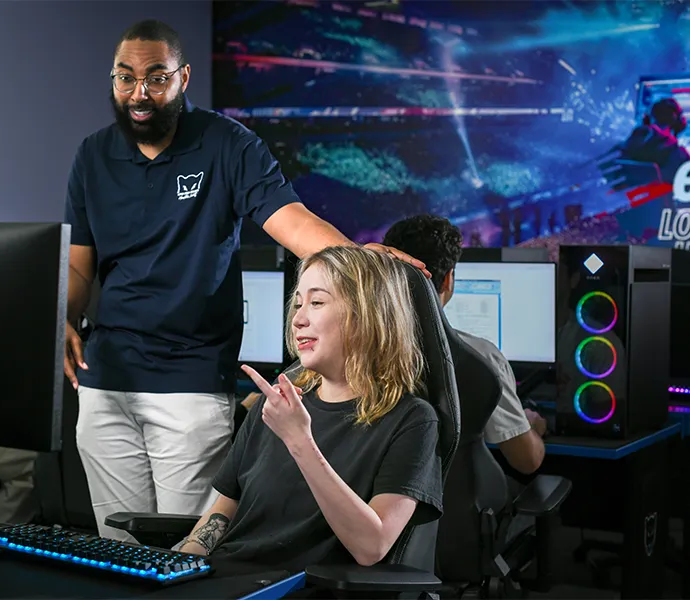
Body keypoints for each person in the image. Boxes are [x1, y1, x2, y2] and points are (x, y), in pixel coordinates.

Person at [63, 19, 427, 539]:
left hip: (188, 385)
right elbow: (81, 264)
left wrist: (359, 256)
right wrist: (63, 317)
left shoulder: (228, 145)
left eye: (156, 77)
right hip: (105, 384)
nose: (139, 93)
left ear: (183, 78)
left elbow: (294, 223)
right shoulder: (92, 155)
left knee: (188, 551)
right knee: (117, 545)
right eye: (125, 78)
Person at [175, 246, 443, 570]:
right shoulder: (277, 402)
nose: (298, 319)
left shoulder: (411, 420)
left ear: (367, 314)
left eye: (316, 302)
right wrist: (179, 567)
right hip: (221, 579)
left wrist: (299, 440)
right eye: (299, 303)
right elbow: (223, 511)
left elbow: (372, 546)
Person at [382, 215, 547, 476]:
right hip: (461, 512)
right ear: (448, 279)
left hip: (378, 511)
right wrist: (531, 425)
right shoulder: (480, 357)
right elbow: (527, 460)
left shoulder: (358, 352)